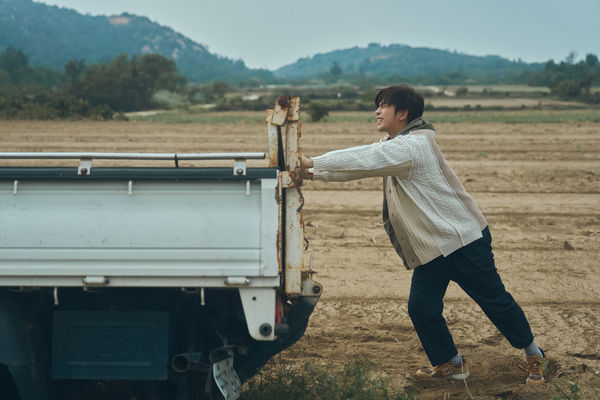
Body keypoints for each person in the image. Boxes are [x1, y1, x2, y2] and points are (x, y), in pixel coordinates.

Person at [300, 84, 547, 384]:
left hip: (462, 240)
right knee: (421, 308)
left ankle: (535, 355)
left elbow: (363, 159)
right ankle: (452, 363)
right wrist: (311, 173)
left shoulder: (413, 146)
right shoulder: (397, 145)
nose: (377, 111)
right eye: (377, 105)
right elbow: (359, 166)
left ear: (402, 113)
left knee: (494, 301)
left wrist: (312, 163)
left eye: (383, 106)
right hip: (431, 245)